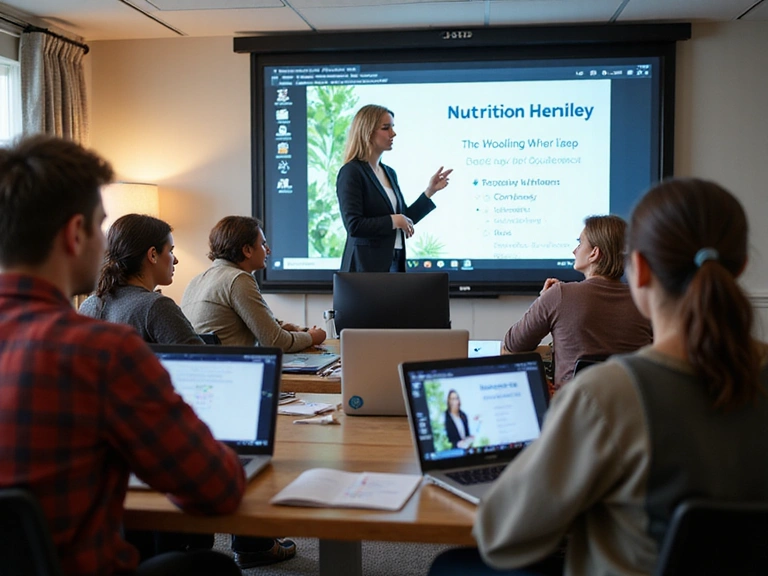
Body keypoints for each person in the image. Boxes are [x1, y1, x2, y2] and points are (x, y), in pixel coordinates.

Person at [430, 178, 768, 576]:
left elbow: (504, 535)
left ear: (639, 268)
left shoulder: (604, 395)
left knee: (450, 565)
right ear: (741, 266)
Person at [0, 134, 244, 576]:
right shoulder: (102, 353)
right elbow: (217, 490)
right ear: (76, 234)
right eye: (98, 227)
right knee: (213, 569)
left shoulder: (96, 320)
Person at [503, 215, 652, 390]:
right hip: (632, 411)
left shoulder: (559, 295)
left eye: (580, 243)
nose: (574, 250)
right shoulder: (644, 301)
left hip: (573, 410)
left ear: (594, 254)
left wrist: (544, 299)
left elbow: (513, 344)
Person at [336, 104, 453, 272]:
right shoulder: (352, 172)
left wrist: (429, 192)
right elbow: (354, 226)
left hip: (394, 261)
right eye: (386, 128)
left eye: (393, 127)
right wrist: (394, 220)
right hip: (365, 268)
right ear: (367, 132)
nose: (393, 133)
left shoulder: (389, 173)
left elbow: (405, 219)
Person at [181, 215, 325, 351]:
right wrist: (312, 337)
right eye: (263, 244)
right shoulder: (238, 279)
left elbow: (249, 323)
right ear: (247, 250)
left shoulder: (195, 281)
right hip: (233, 371)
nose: (268, 250)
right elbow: (275, 342)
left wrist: (286, 327)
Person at [79, 214, 203, 345]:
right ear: (153, 254)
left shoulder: (88, 305)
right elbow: (203, 361)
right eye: (171, 251)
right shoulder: (156, 306)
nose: (175, 260)